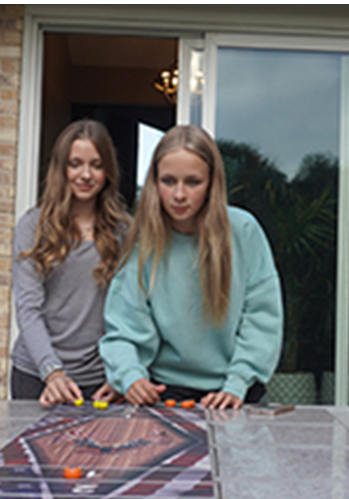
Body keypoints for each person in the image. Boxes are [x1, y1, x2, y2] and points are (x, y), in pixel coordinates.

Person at [99, 124, 283, 409]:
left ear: (212, 183)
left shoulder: (243, 231)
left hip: (236, 393)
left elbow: (261, 318)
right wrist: (131, 377)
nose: (179, 194)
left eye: (193, 182)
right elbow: (123, 327)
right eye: (169, 181)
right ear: (154, 182)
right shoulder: (143, 242)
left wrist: (237, 383)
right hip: (166, 394)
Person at [11, 119, 128, 406]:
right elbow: (28, 308)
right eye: (76, 164)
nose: (85, 174)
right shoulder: (32, 226)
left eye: (97, 165)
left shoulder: (124, 231)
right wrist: (52, 372)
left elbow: (132, 312)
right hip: (37, 376)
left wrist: (123, 373)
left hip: (101, 381)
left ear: (108, 171)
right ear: (61, 168)